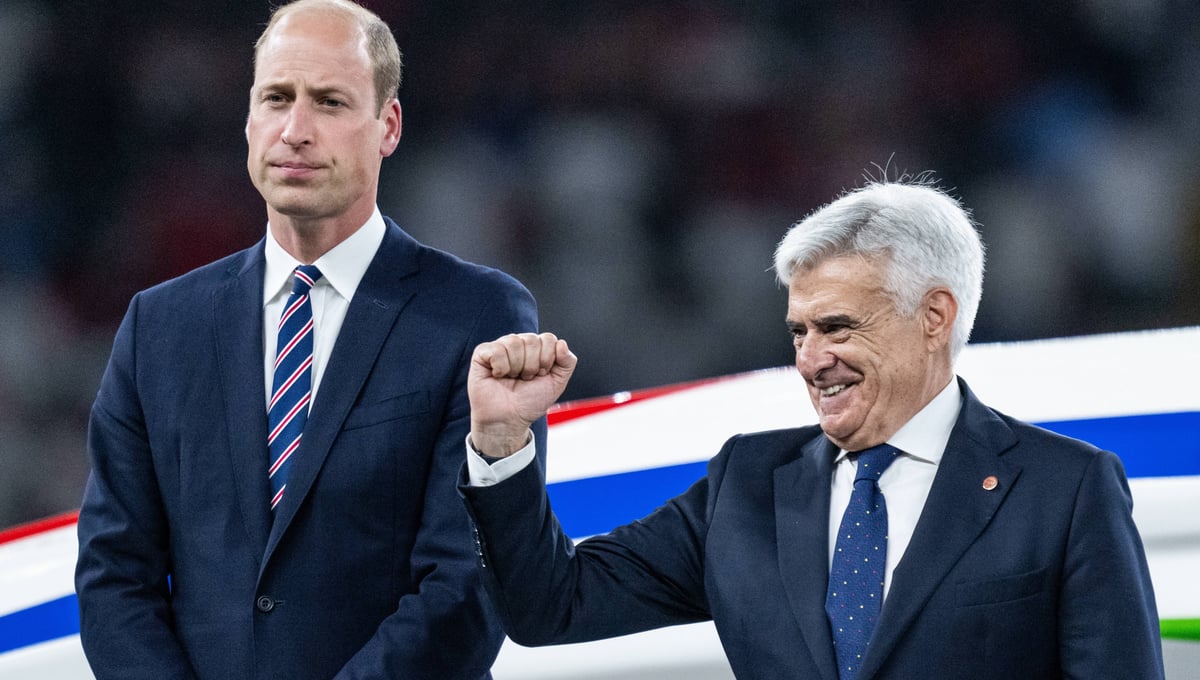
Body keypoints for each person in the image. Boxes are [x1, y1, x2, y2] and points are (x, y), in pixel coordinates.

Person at [459, 179, 1165, 679]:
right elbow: (552, 606)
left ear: (934, 317)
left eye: (837, 327)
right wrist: (502, 440)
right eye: (799, 331)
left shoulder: (1063, 489)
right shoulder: (747, 486)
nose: (810, 359)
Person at [74, 1, 541, 678]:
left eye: (329, 101)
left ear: (388, 126)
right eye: (276, 98)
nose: (295, 130)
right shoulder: (159, 327)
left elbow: (469, 584)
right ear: (249, 120)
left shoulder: (476, 316)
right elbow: (114, 578)